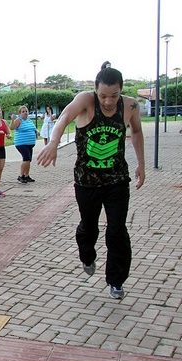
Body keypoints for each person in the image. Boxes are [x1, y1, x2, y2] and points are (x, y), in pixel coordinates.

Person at [38, 62, 145, 300]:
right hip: (86, 182)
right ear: (95, 90)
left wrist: (141, 164)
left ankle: (116, 280)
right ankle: (87, 255)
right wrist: (53, 143)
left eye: (114, 95)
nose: (108, 101)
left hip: (117, 180)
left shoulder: (130, 105)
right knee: (89, 227)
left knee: (117, 230)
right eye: (103, 96)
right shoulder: (85, 101)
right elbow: (64, 117)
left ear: (121, 90)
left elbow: (136, 132)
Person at [10, 105, 39, 183]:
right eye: (23, 112)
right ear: (19, 113)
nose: (25, 113)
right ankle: (21, 176)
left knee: (28, 160)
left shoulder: (29, 120)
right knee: (26, 159)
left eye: (26, 111)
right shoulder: (18, 120)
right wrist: (12, 120)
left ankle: (27, 176)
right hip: (21, 143)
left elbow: (33, 128)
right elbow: (12, 127)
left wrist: (36, 131)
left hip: (30, 144)